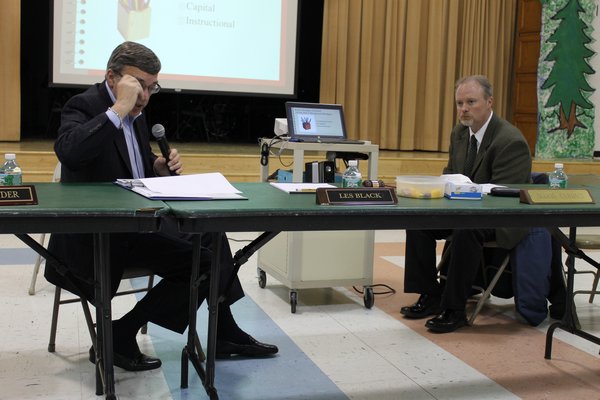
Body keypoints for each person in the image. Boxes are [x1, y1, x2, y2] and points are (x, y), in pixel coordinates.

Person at [45, 41, 278, 371]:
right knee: (205, 264)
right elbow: (70, 152)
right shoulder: (84, 105)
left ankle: (224, 331)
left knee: (211, 235)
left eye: (152, 87)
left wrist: (155, 165)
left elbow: (132, 164)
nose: (145, 95)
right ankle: (119, 333)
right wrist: (118, 110)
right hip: (101, 233)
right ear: (112, 77)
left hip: (140, 223)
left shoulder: (137, 114)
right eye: (139, 84)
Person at [399, 75, 533, 333]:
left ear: (489, 102)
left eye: (471, 102)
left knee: (467, 228)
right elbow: (450, 173)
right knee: (417, 220)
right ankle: (430, 294)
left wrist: (465, 195)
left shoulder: (509, 140)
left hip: (502, 217)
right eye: (460, 103)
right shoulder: (459, 133)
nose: (464, 109)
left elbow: (503, 194)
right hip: (465, 209)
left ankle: (455, 308)